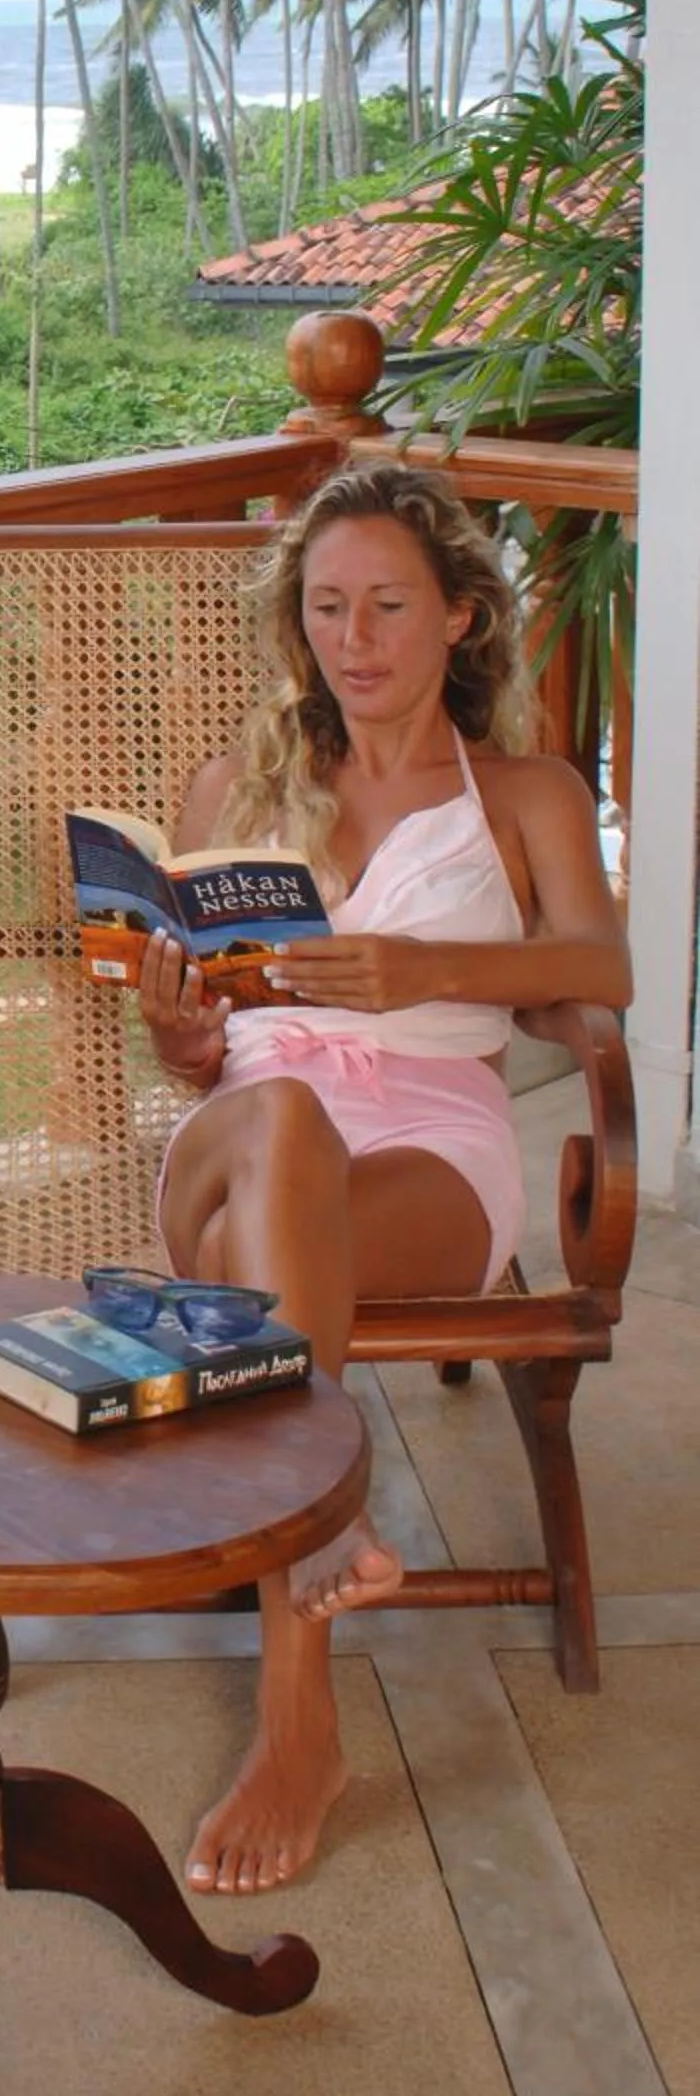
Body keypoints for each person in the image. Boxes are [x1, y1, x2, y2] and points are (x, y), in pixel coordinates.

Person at [139, 460, 630, 1899]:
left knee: (294, 1188)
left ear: (463, 619)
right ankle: (328, 1518)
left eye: (390, 607)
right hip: (239, 1142)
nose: (356, 640)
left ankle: (300, 1711)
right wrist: (182, 1030)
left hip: (427, 1147)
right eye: (329, 607)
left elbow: (597, 968)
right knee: (280, 1105)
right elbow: (200, 1051)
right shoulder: (234, 786)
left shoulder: (527, 793)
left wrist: (425, 972)